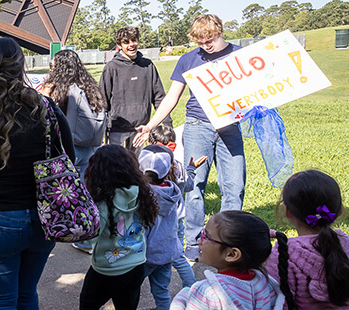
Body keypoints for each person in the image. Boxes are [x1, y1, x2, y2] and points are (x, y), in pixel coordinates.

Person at [0, 37, 73, 309]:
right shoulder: (46, 108)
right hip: (45, 218)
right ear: (21, 66)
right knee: (26, 294)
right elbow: (70, 158)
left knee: (1, 302)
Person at [134, 14, 246, 262]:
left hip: (230, 127)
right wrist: (151, 125)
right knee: (195, 186)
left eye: (210, 39)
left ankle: (229, 241)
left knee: (235, 186)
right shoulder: (188, 59)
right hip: (198, 126)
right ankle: (194, 242)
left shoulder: (239, 55)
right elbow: (171, 98)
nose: (206, 45)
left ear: (220, 31)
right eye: (200, 41)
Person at [42, 49, 108, 254]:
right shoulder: (90, 86)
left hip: (71, 145)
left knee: (71, 190)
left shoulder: (63, 89)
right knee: (88, 188)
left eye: (53, 65)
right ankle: (92, 234)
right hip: (93, 144)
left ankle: (75, 231)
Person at [78, 145, 159, 310]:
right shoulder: (141, 193)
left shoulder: (102, 204)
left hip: (107, 269)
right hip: (136, 265)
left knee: (87, 304)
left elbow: (90, 236)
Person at [265, 170, 349, 309]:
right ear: (340, 210)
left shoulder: (283, 256)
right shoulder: (345, 243)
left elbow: (277, 304)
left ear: (287, 211)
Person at [170, 211, 284, 310]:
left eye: (206, 236)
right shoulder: (264, 284)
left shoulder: (208, 292)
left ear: (231, 254)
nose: (199, 240)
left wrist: (182, 297)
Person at [138, 145, 202, 310]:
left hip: (143, 255)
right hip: (167, 253)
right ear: (168, 171)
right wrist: (191, 170)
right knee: (161, 292)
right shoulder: (174, 189)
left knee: (130, 290)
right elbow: (187, 183)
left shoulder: (140, 194)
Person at [99, 26, 170, 154]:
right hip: (116, 130)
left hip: (141, 129)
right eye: (126, 42)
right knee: (116, 168)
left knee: (137, 168)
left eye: (134, 40)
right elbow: (102, 101)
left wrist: (168, 124)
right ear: (119, 45)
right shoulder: (111, 67)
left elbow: (159, 97)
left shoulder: (148, 66)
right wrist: (100, 132)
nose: (131, 45)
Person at [147, 126, 199, 289]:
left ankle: (191, 288)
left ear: (151, 144)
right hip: (177, 219)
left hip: (157, 223)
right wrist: (191, 170)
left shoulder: (147, 168)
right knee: (178, 256)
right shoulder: (178, 166)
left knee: (168, 258)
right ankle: (190, 287)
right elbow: (189, 186)